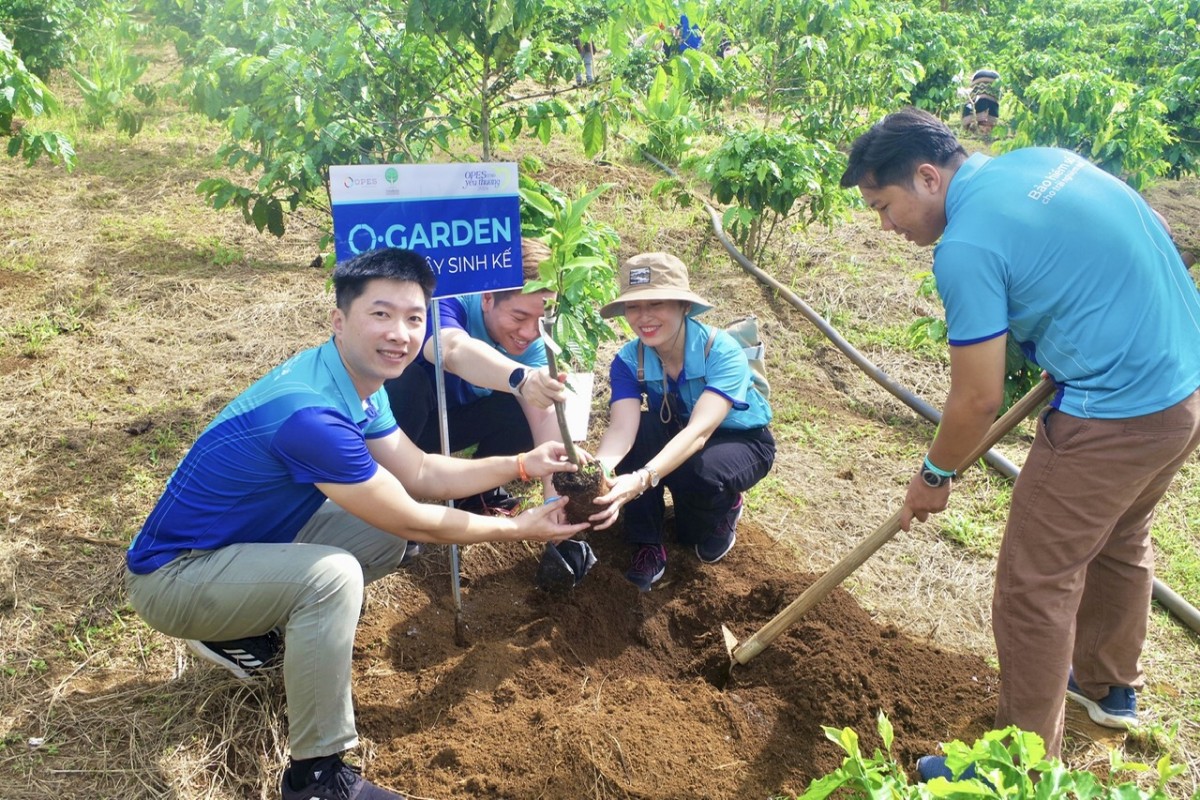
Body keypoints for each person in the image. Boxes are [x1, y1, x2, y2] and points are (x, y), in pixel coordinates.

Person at [125, 247, 589, 800]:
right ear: (339, 320)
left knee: (385, 532)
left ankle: (253, 626)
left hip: (242, 544)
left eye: (415, 318)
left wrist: (520, 465)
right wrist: (520, 529)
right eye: (381, 314)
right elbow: (421, 515)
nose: (400, 333)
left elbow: (418, 470)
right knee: (334, 576)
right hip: (174, 576)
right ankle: (316, 778)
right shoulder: (311, 414)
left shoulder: (353, 383)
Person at [839, 108, 1200, 778]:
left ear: (927, 177)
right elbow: (1140, 239)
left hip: (1114, 412)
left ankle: (1018, 770)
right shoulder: (1042, 160)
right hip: (1183, 387)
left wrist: (935, 473)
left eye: (883, 206)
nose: (884, 227)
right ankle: (1105, 687)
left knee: (1035, 586)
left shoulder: (967, 246)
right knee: (1121, 537)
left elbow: (977, 398)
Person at [587, 252, 775, 591]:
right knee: (643, 432)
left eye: (656, 304)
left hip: (740, 442)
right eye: (633, 307)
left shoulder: (722, 351)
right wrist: (597, 471)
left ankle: (726, 505)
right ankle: (647, 544)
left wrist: (644, 478)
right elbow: (621, 428)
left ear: (683, 306)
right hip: (679, 435)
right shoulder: (630, 359)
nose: (643, 317)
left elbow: (699, 433)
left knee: (695, 499)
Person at [384, 238, 568, 514]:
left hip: (454, 424)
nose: (530, 333)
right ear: (487, 297)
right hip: (395, 426)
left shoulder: (535, 343)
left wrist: (555, 502)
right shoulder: (445, 299)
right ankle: (389, 499)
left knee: (524, 409)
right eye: (519, 318)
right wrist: (521, 378)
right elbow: (452, 349)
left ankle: (474, 493)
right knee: (407, 382)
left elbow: (545, 421)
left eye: (541, 321)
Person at [961, 68, 1000, 136]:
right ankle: (987, 125)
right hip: (994, 78)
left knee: (977, 100)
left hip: (979, 77)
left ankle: (978, 124)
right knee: (992, 101)